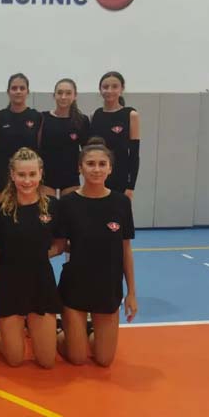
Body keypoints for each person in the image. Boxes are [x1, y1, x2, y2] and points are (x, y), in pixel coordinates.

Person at [53, 137, 137, 367]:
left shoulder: (121, 203)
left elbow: (126, 249)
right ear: (80, 168)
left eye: (102, 164)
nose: (96, 169)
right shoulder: (67, 203)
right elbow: (59, 245)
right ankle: (57, 332)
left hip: (108, 287)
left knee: (104, 360)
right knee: (77, 358)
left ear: (110, 168)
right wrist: (28, 252)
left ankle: (86, 331)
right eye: (90, 164)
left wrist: (131, 293)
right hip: (75, 286)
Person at [0, 148, 63, 368]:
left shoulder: (52, 206)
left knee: (47, 361)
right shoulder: (1, 211)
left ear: (40, 173)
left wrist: (37, 253)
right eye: (22, 175)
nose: (27, 181)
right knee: (15, 359)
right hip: (9, 283)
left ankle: (34, 327)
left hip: (40, 282)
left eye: (32, 174)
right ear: (12, 175)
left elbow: (60, 244)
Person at [0, 73, 42, 207]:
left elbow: (39, 148)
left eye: (22, 88)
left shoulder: (37, 117)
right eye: (14, 88)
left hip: (27, 178)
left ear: (27, 91)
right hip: (2, 175)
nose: (18, 91)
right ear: (8, 91)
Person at [89, 71, 140, 200]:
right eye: (105, 87)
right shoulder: (95, 115)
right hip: (98, 176)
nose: (109, 90)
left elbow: (134, 154)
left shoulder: (131, 115)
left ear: (122, 89)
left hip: (120, 178)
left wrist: (131, 187)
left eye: (114, 86)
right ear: (100, 89)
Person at [39, 78, 90, 198]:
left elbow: (86, 150)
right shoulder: (43, 118)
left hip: (70, 176)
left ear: (75, 96)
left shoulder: (82, 120)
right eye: (60, 93)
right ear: (54, 95)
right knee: (48, 209)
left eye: (68, 93)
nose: (63, 97)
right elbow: (37, 146)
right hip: (46, 175)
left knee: (69, 209)